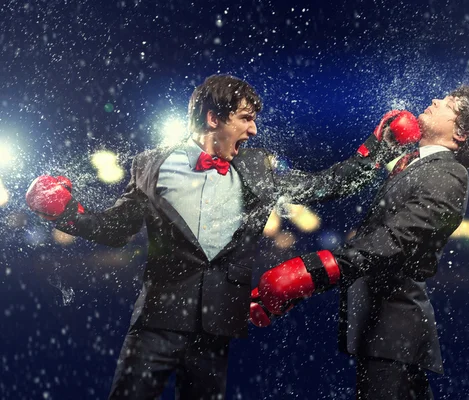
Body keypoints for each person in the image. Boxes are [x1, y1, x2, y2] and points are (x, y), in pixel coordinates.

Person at [25, 74, 421, 400]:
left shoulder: (256, 167)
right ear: (214, 118)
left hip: (217, 327)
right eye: (245, 118)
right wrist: (68, 214)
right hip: (156, 322)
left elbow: (324, 185)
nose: (253, 129)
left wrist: (378, 147)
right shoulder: (150, 164)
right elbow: (116, 229)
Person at [251, 85, 469, 400]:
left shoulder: (448, 174)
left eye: (449, 104)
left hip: (395, 328)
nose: (436, 99)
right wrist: (376, 148)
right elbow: (330, 186)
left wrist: (311, 272)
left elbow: (395, 241)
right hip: (386, 330)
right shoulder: (413, 162)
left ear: (461, 133)